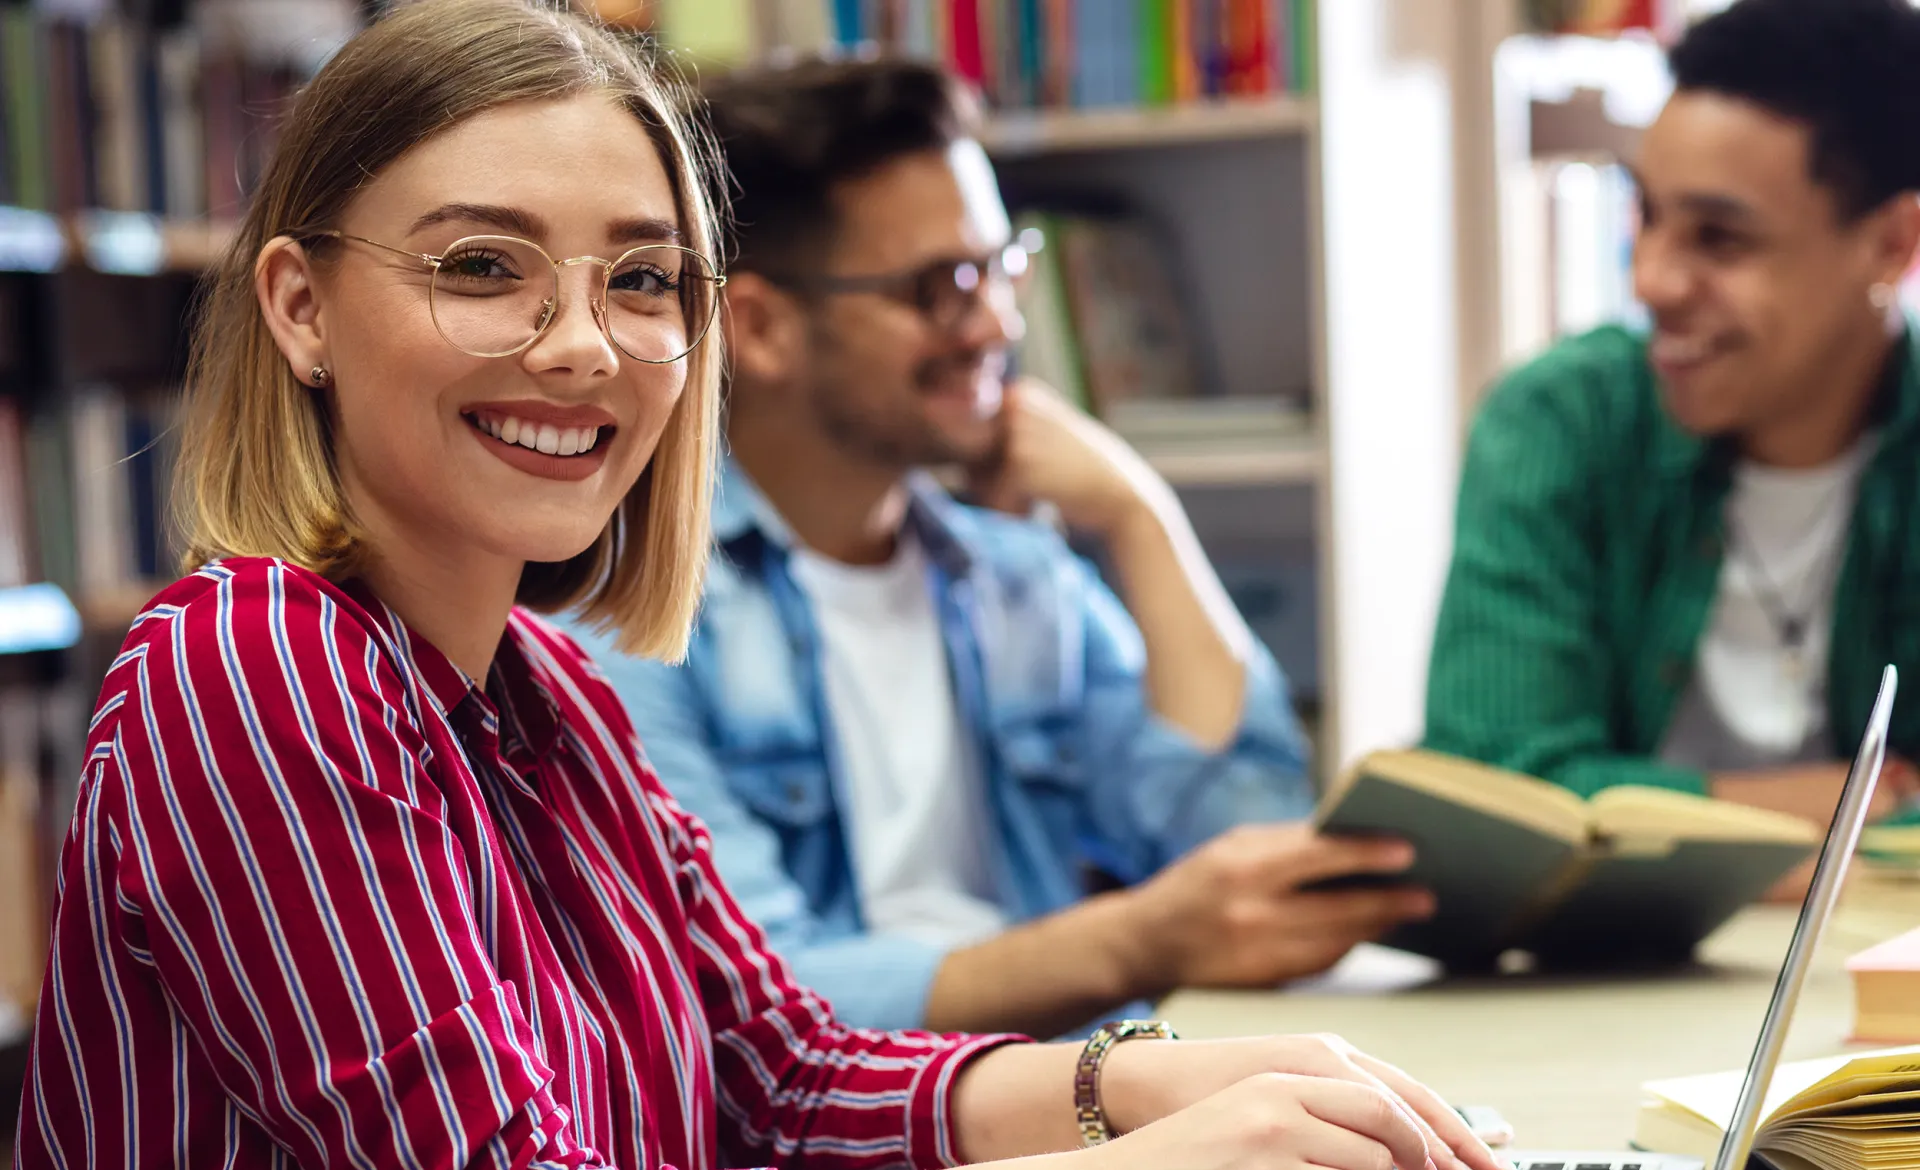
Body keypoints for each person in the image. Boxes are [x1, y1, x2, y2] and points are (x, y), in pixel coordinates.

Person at [3, 4, 1507, 1170]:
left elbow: (785, 1077)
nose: (582, 343)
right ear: (300, 308)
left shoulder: (546, 691)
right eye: (482, 267)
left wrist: (1166, 1083)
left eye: (642, 278)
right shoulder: (250, 661)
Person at [568, 57, 1435, 1041]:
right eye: (941, 287)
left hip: (1076, 1098)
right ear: (760, 326)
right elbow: (755, 1001)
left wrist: (1143, 517)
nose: (1000, 322)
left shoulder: (1012, 574)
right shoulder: (625, 618)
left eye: (998, 266)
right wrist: (1137, 940)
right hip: (863, 1155)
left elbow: (1240, 846)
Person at [1426, 0, 1920, 896]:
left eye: (1720, 238)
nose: (1650, 278)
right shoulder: (1562, 419)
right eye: (1645, 215)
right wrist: (1814, 811)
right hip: (1583, 988)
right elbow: (1488, 796)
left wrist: (1636, 818)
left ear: (1892, 243)